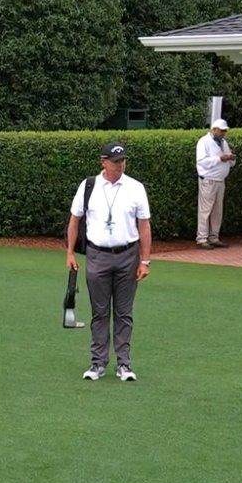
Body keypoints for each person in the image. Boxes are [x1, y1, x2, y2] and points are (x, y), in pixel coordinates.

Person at [66, 142, 151, 382]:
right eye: (115, 162)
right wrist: (70, 253)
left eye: (123, 161)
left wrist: (145, 261)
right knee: (99, 312)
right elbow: (74, 220)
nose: (120, 165)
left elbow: (144, 225)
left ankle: (124, 364)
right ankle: (97, 363)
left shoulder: (135, 188)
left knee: (124, 312)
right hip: (97, 255)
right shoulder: (89, 186)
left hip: (128, 255)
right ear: (103, 162)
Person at [195, 118, 235, 249]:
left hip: (220, 180)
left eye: (224, 131)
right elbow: (201, 162)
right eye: (221, 131)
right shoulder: (204, 142)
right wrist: (219, 159)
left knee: (217, 210)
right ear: (214, 130)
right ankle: (202, 238)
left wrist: (230, 158)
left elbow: (229, 160)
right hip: (208, 180)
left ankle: (214, 237)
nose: (223, 133)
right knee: (205, 210)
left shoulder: (223, 142)